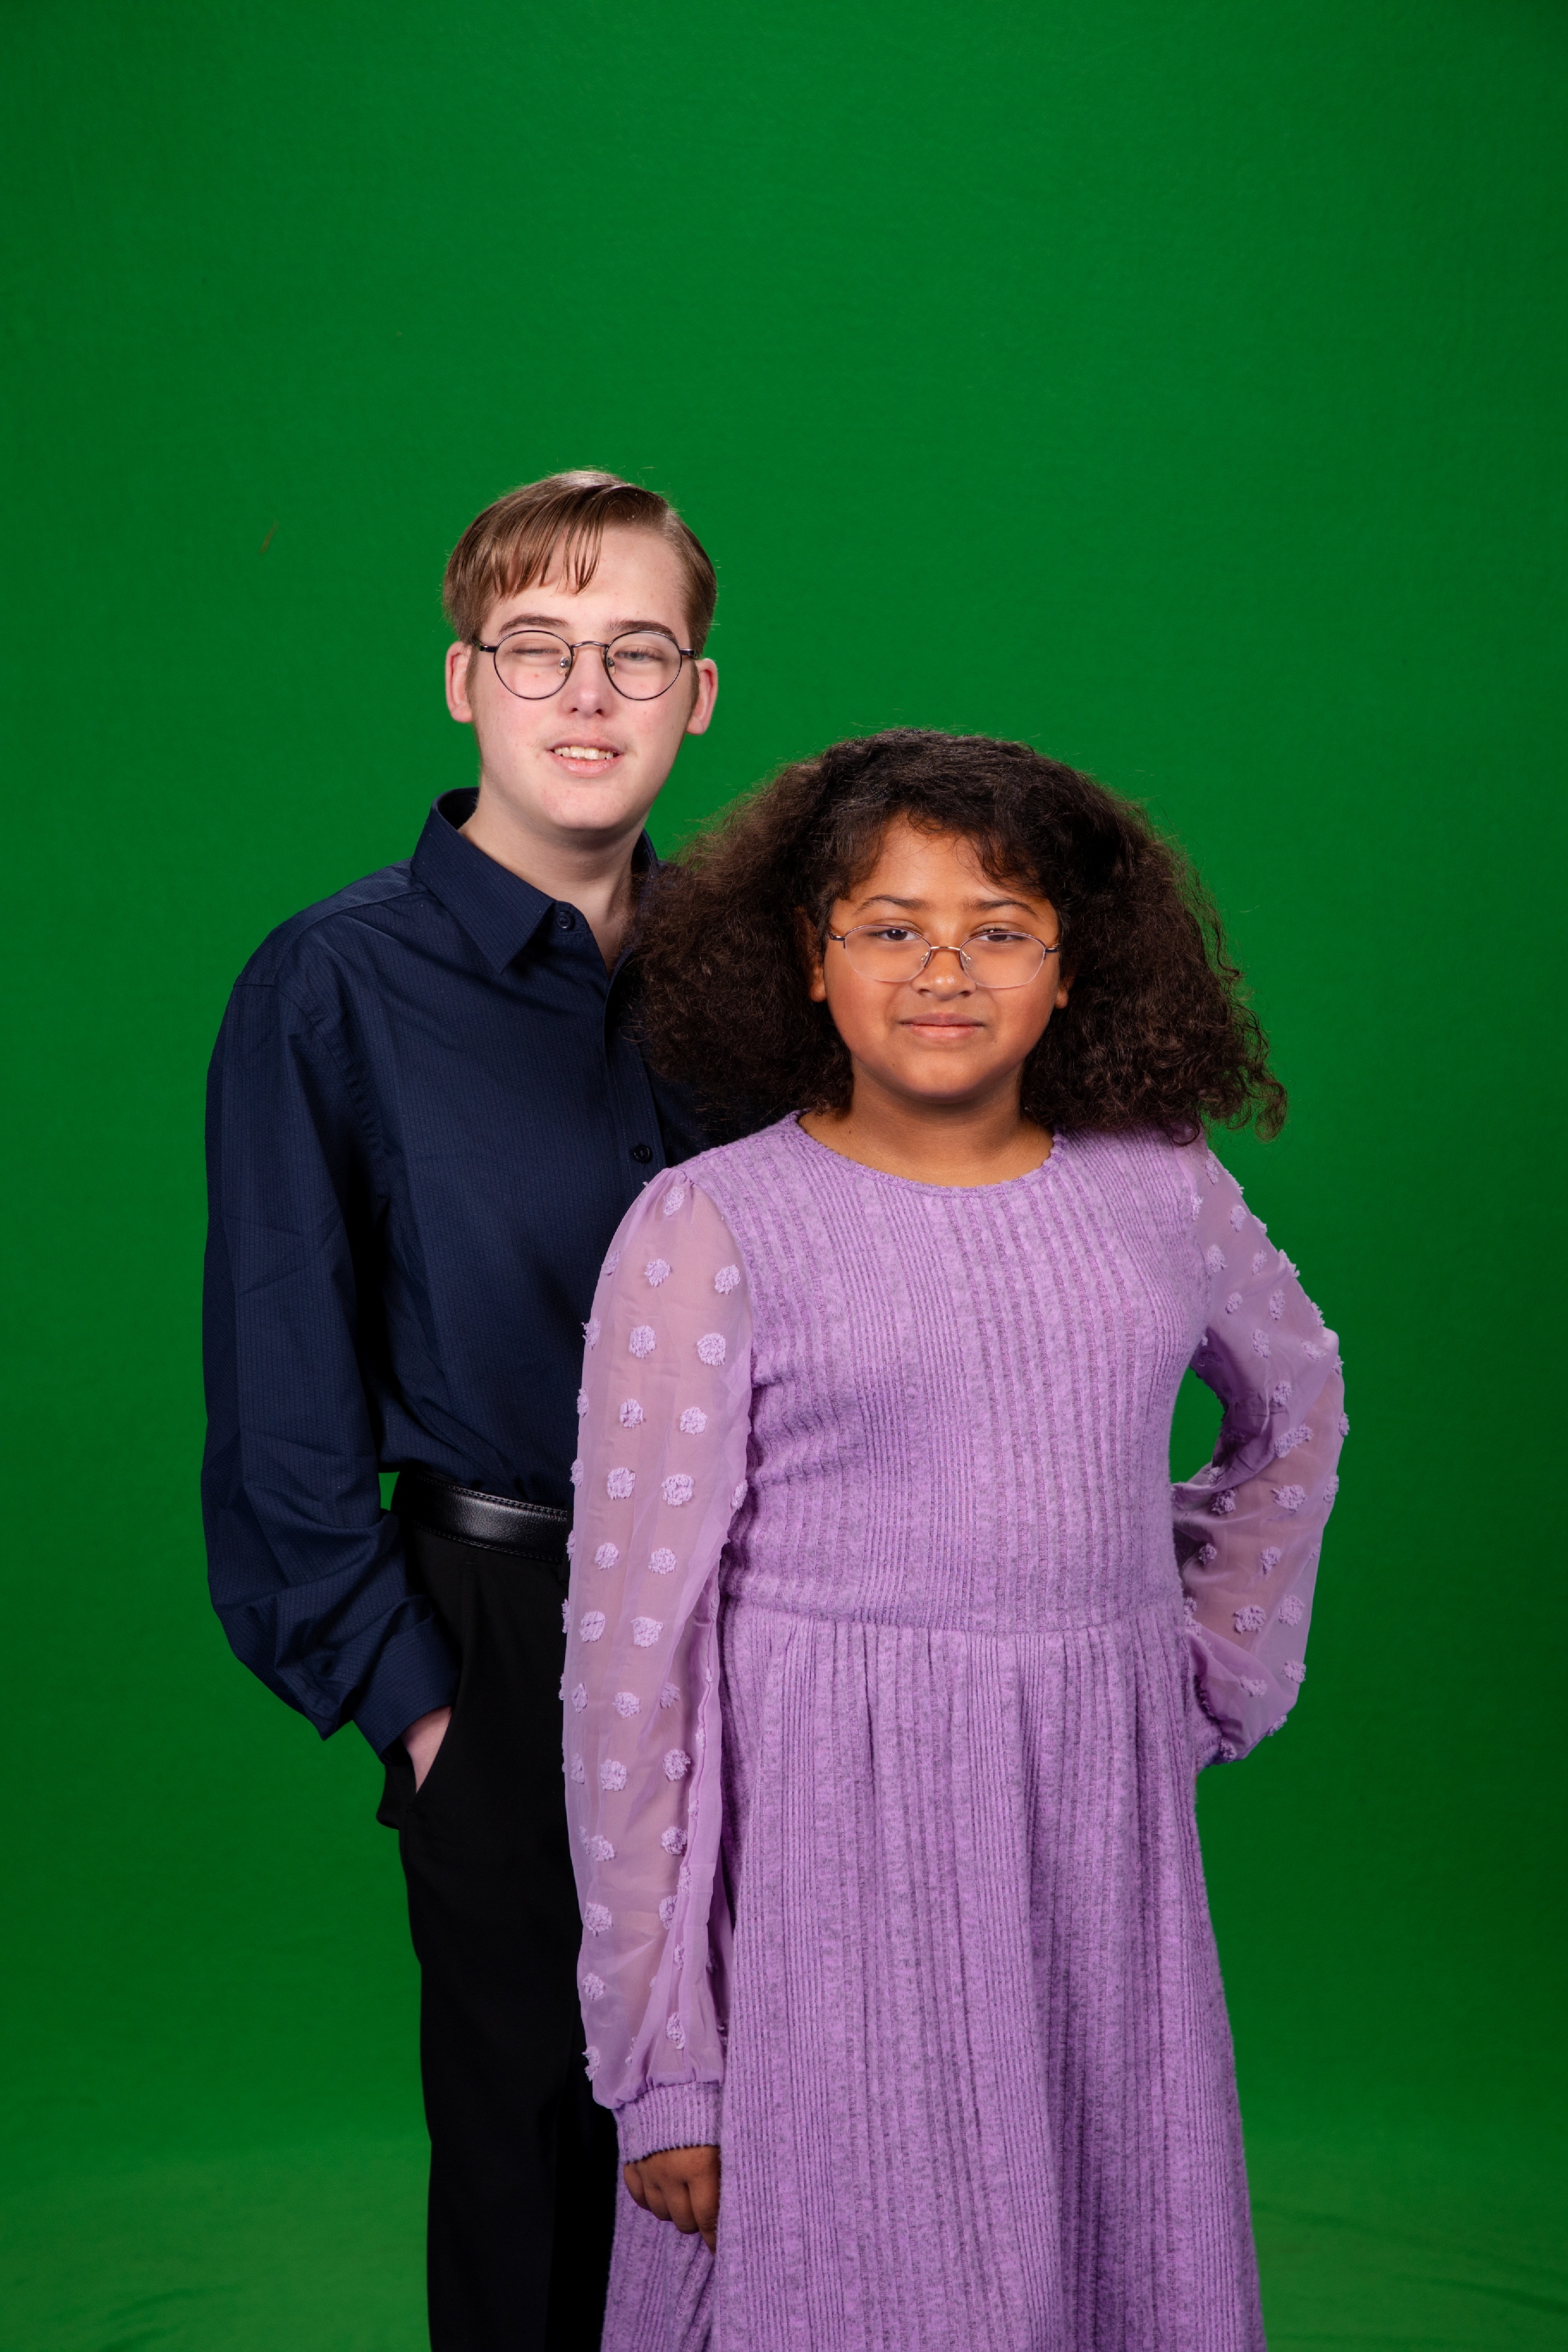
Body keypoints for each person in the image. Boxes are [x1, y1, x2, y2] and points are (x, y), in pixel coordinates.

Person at [562, 730, 1347, 2351]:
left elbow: (1298, 1404)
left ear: (1072, 968)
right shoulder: (711, 1224)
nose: (945, 970)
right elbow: (634, 1676)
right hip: (825, 1859)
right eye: (891, 926)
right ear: (810, 959)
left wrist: (1200, 1670)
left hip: (1090, 1839)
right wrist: (664, 2062)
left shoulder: (1162, 1188)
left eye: (1000, 928)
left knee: (1107, 2251)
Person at [202, 470, 723, 2349]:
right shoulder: (333, 983)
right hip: (499, 1623)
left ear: (698, 695)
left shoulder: (761, 980)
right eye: (537, 647)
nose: (586, 693)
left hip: (757, 1609)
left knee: (767, 2117)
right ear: (462, 681)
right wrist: (416, 1700)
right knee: (538, 2147)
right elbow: (282, 1367)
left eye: (635, 651)